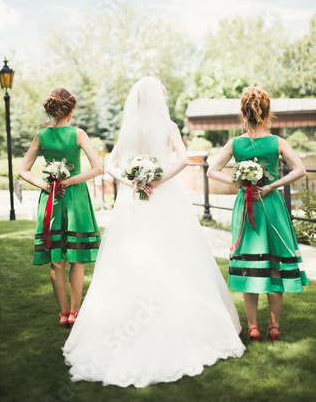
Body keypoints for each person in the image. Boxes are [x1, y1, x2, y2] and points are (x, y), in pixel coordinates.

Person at [62, 76, 245, 388]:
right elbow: (185, 160)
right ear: (158, 100)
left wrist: (133, 182)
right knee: (175, 255)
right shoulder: (169, 127)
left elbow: (110, 165)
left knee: (132, 257)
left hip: (134, 201)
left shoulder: (129, 131)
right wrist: (159, 180)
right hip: (165, 197)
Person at [207, 86, 309, 342]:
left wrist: (239, 184)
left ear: (243, 112)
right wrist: (272, 185)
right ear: (267, 112)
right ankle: (273, 325)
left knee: (249, 264)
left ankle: (252, 325)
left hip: (246, 206)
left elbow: (211, 170)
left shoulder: (235, 143)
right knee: (274, 262)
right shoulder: (277, 142)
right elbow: (300, 169)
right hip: (272, 205)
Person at [18, 88, 103, 327]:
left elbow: (22, 170)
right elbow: (98, 168)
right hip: (75, 197)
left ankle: (63, 313)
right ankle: (75, 313)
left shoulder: (41, 135)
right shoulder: (78, 133)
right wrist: (69, 180)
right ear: (71, 110)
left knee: (57, 257)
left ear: (49, 109)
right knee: (76, 257)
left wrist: (47, 186)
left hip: (52, 199)